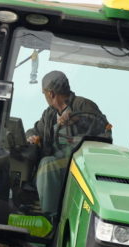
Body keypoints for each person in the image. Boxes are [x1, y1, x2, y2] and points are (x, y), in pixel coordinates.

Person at [24, 71, 111, 217]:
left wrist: (78, 121)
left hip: (80, 161)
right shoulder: (50, 114)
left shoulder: (83, 105)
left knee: (47, 165)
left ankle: (50, 216)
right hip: (60, 160)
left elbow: (104, 129)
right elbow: (35, 129)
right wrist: (31, 136)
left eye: (44, 93)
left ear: (51, 94)